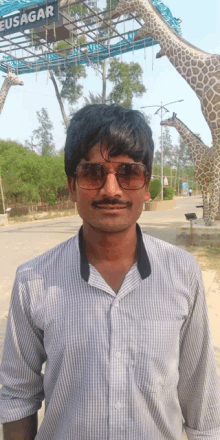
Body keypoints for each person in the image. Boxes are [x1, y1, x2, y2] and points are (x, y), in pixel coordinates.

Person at [0, 104, 220, 440]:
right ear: (73, 186)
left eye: (128, 172)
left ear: (146, 186)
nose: (111, 190)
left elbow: (200, 397)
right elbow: (17, 396)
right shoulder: (33, 280)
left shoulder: (182, 273)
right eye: (92, 172)